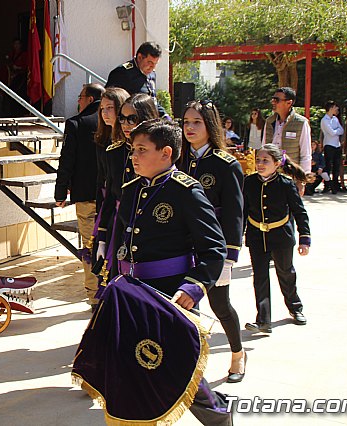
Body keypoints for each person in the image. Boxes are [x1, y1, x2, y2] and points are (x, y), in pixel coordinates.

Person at [114, 119, 233, 425]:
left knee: (180, 367)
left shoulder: (186, 191)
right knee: (134, 365)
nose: (134, 156)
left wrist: (193, 288)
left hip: (170, 294)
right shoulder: (132, 189)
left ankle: (219, 417)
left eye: (142, 149)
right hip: (133, 292)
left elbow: (213, 248)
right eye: (133, 149)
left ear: (166, 153)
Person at [179, 100, 246, 383]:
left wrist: (229, 254)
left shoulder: (225, 165)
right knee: (184, 305)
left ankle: (237, 354)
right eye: (185, 122)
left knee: (220, 305)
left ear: (210, 125)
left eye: (197, 122)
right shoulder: (178, 160)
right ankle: (189, 363)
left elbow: (234, 212)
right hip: (181, 245)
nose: (190, 128)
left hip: (213, 248)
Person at [244, 144, 311, 334]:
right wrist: (236, 237)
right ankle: (263, 320)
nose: (260, 164)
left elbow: (299, 212)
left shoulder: (286, 184)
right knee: (260, 278)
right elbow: (243, 211)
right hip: (257, 236)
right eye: (258, 160)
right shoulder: (249, 182)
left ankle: (295, 307)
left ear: (277, 163)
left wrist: (304, 237)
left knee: (286, 273)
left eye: (265, 160)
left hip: (281, 236)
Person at [95, 93, 158, 285]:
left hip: (154, 225)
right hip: (121, 226)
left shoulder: (162, 149)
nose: (126, 124)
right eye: (122, 118)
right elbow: (110, 197)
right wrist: (103, 237)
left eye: (132, 118)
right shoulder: (114, 152)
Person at [54, 83, 105, 308]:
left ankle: (95, 297)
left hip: (86, 196)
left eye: (81, 96)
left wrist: (60, 191)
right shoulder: (113, 123)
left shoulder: (76, 123)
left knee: (90, 247)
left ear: (90, 98)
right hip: (112, 196)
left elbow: (67, 160)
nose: (78, 101)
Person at [262, 87, 312, 195]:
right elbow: (263, 148)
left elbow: (306, 154)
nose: (273, 102)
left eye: (277, 100)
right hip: (270, 175)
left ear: (289, 103)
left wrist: (302, 181)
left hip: (290, 176)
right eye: (273, 99)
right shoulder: (269, 121)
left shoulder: (301, 123)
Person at [105, 41, 170, 118]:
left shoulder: (151, 73)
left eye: (155, 64)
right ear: (139, 57)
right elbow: (110, 100)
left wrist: (164, 115)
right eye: (150, 62)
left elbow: (152, 99)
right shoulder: (122, 73)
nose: (152, 67)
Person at [319, 100, 344, 193]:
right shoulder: (324, 120)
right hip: (329, 145)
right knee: (328, 166)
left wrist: (336, 131)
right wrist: (336, 131)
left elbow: (341, 130)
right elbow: (331, 132)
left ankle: (335, 184)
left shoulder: (335, 119)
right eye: (334, 107)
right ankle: (327, 185)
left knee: (336, 166)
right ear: (330, 108)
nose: (336, 109)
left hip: (337, 145)